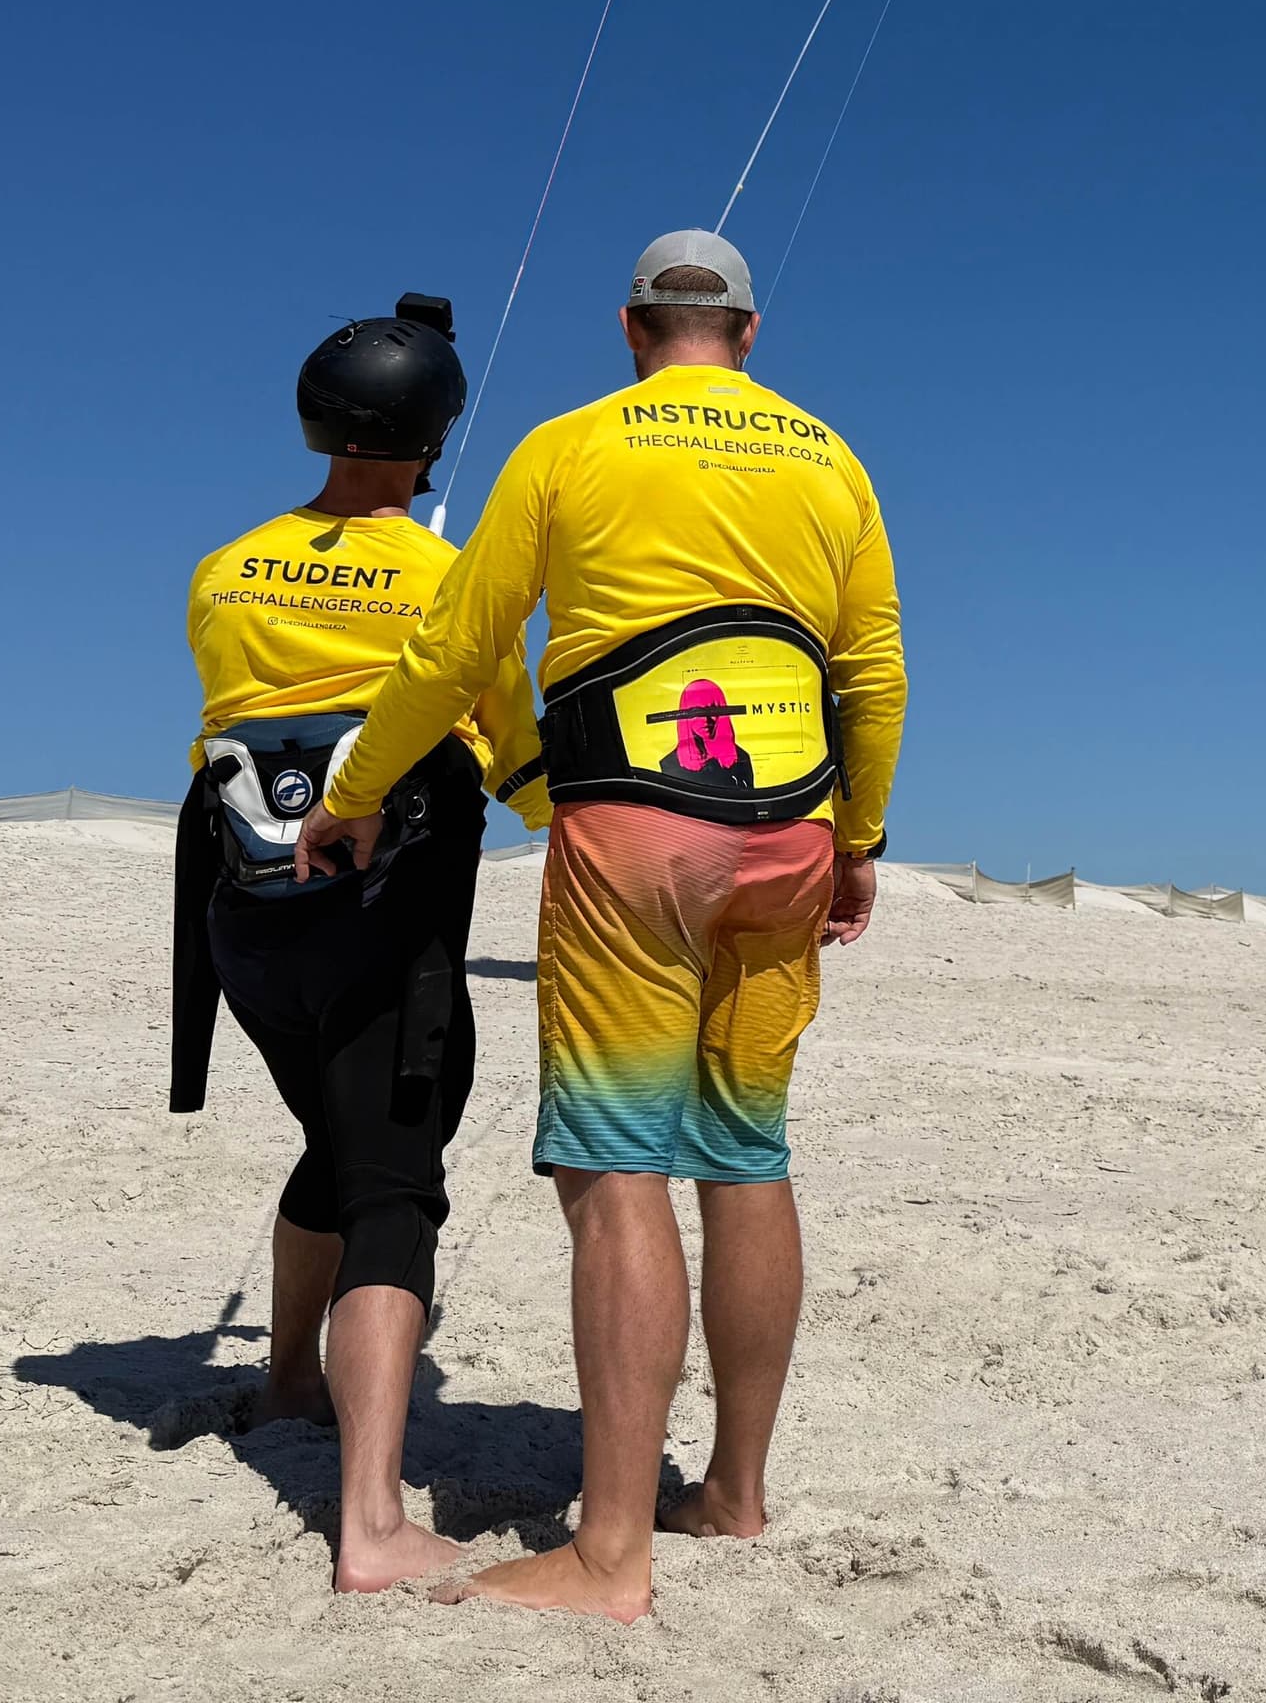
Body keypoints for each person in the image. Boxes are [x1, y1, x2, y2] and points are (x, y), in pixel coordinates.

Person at [305, 230, 904, 1625]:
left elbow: (457, 650)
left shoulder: (572, 445)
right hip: (793, 828)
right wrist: (859, 841)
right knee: (747, 1155)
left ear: (634, 329)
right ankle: (735, 1497)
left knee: (619, 1168)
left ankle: (610, 1553)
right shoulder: (831, 459)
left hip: (634, 829)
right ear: (749, 334)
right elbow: (872, 669)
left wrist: (354, 791)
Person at [170, 295, 551, 1593]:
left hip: (247, 928)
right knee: (396, 1184)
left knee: (334, 1146)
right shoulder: (449, 578)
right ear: (437, 434)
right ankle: (374, 1525)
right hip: (383, 919)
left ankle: (288, 1386)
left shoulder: (223, 566)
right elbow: (515, 752)